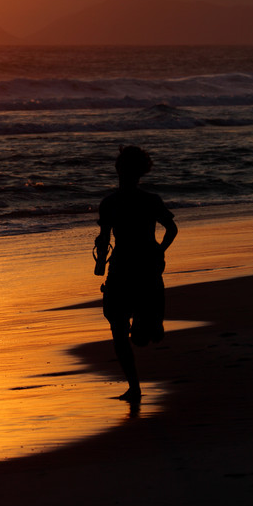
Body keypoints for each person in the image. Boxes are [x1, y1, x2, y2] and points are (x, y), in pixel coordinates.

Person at [93, 145, 178, 403]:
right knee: (124, 328)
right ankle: (151, 322)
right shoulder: (149, 200)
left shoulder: (111, 202)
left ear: (119, 169)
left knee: (122, 332)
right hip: (142, 265)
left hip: (130, 266)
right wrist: (160, 250)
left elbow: (104, 237)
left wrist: (100, 259)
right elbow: (172, 229)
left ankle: (134, 385)